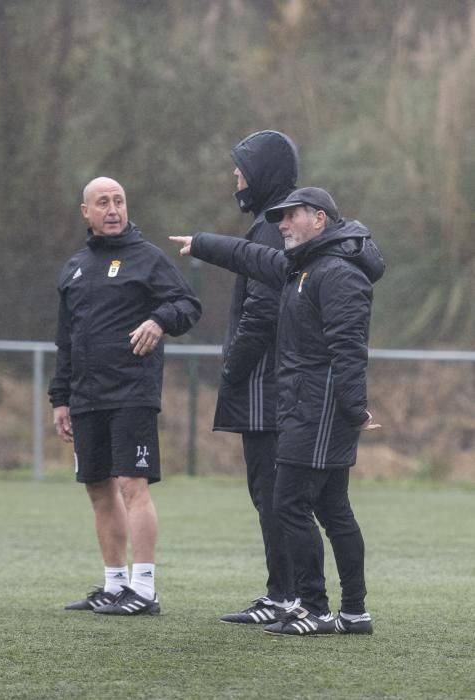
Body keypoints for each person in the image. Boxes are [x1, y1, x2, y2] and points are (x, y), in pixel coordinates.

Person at [170, 186, 385, 636]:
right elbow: (250, 257)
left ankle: (316, 610)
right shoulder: (300, 266)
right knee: (332, 507)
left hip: (321, 409)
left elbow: (349, 348)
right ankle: (355, 613)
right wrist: (203, 243)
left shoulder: (338, 273)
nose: (281, 224)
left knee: (288, 502)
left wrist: (353, 408)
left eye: (290, 216)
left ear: (319, 219)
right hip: (306, 407)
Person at [49, 176, 201, 616]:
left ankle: (145, 589)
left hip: (132, 392)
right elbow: (66, 340)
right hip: (85, 396)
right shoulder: (74, 267)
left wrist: (158, 320)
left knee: (132, 485)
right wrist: (61, 398)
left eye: (119, 201)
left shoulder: (148, 259)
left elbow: (189, 306)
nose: (113, 209)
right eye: (102, 202)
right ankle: (114, 585)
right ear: (86, 212)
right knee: (98, 490)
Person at [204, 130, 298, 624]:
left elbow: (260, 315)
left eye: (241, 168)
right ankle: (283, 593)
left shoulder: (267, 227)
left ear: (261, 172)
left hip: (266, 388)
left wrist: (231, 369)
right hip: (272, 386)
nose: (235, 177)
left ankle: (289, 597)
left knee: (273, 496)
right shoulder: (271, 223)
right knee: (274, 496)